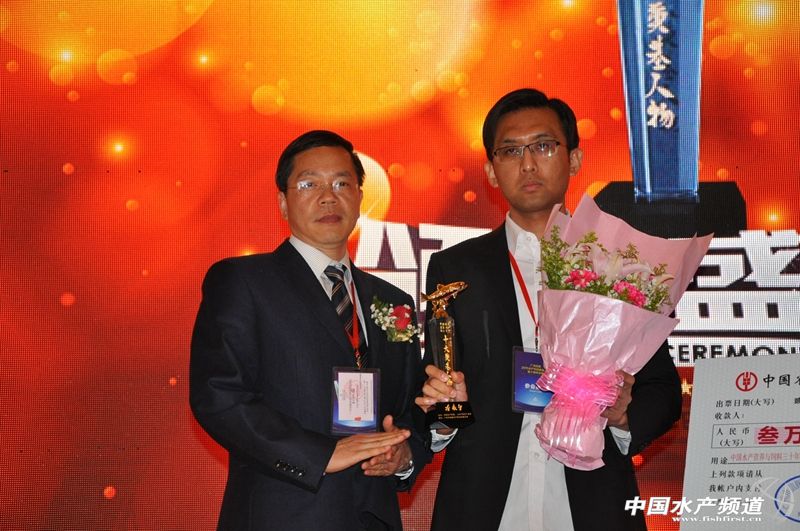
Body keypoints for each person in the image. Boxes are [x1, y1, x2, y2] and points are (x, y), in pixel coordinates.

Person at [416, 88, 682, 530]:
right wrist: (444, 414)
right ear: (491, 171)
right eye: (510, 150)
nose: (528, 163)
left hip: (592, 503)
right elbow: (439, 382)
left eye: (543, 146)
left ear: (574, 159)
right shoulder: (456, 268)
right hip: (485, 505)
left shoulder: (619, 263)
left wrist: (623, 415)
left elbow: (663, 390)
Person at [190, 130, 428, 531]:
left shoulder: (393, 300)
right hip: (282, 516)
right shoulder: (244, 281)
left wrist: (404, 455)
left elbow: (408, 407)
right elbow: (219, 395)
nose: (328, 197)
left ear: (359, 197)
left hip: (373, 517)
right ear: (283, 203)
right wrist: (320, 455)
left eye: (342, 184)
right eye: (309, 184)